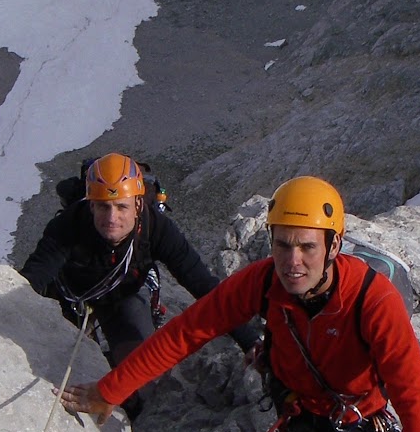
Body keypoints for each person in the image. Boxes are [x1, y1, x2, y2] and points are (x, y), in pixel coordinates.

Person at [61, 175, 420, 432]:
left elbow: (414, 402)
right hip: (293, 394)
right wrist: (111, 390)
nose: (292, 262)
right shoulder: (263, 282)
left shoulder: (373, 302)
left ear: (333, 247)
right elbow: (186, 333)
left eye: (307, 247)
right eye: (282, 245)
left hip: (352, 415)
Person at [21, 153, 250, 394]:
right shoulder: (69, 224)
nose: (112, 218)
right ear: (90, 205)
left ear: (138, 204)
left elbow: (206, 288)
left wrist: (250, 341)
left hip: (122, 298)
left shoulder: (158, 229)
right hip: (67, 300)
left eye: (122, 207)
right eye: (103, 207)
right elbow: (36, 275)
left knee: (142, 382)